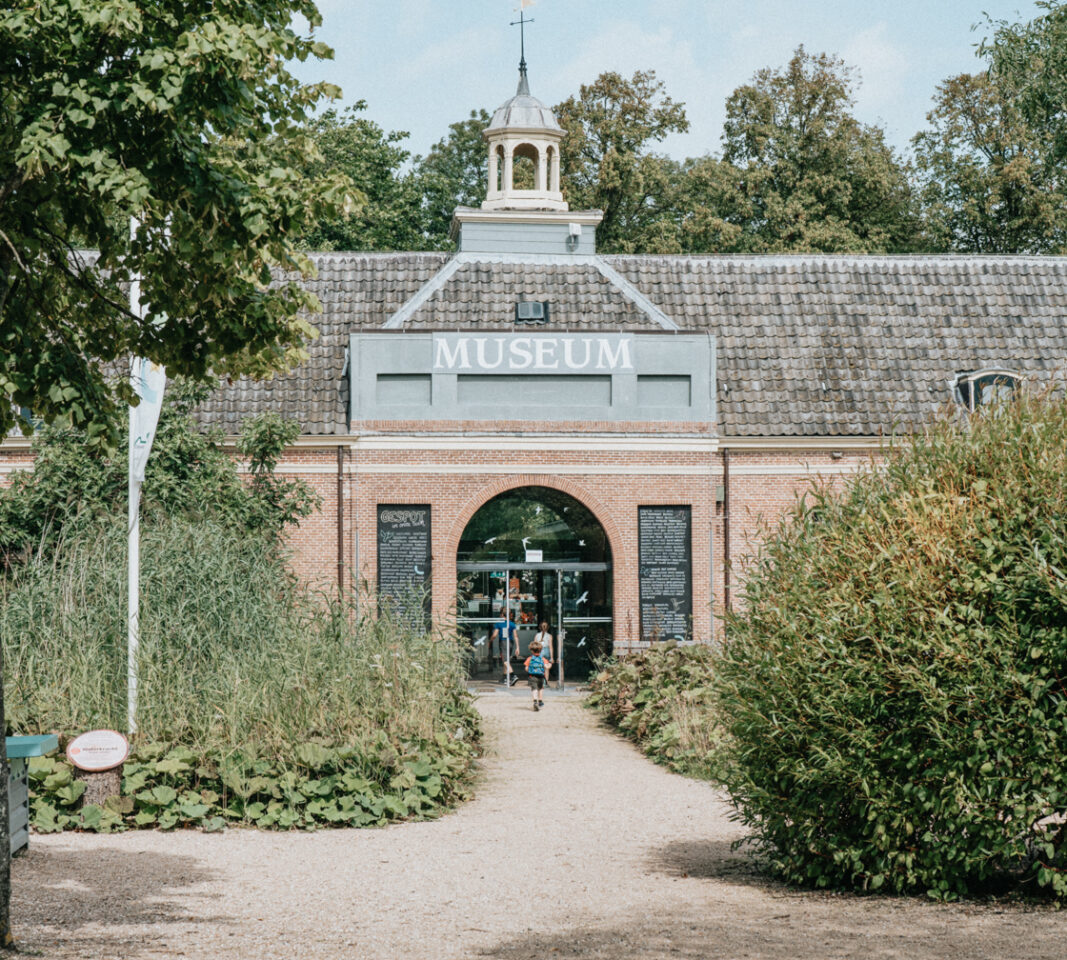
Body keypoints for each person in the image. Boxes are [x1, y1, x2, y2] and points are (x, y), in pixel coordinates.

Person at [492, 608, 519, 686]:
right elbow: (516, 636)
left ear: (501, 614)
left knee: (505, 661)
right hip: (510, 642)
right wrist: (518, 647)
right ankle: (505, 678)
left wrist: (490, 641)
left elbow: (494, 635)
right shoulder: (512, 624)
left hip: (503, 642)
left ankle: (513, 675)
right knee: (506, 660)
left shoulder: (499, 624)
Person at [525, 640, 547, 710]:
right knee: (540, 688)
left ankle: (535, 701)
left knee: (534, 689)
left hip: (532, 676)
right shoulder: (542, 658)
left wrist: (530, 670)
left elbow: (526, 668)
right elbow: (547, 666)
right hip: (541, 676)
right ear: (540, 650)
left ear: (531, 651)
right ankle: (540, 701)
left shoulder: (530, 659)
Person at [534, 620, 554, 685]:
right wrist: (552, 657)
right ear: (547, 628)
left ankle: (539, 681)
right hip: (547, 650)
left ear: (540, 627)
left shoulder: (537, 635)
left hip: (539, 651)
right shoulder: (549, 636)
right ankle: (546, 682)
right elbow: (550, 647)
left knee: (539, 667)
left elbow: (534, 646)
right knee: (546, 667)